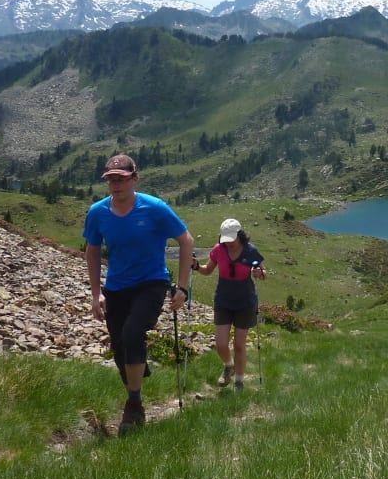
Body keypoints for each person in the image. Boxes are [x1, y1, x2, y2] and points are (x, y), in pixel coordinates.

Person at [83, 153, 194, 435]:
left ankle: (134, 403)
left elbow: (186, 240)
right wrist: (96, 294)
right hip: (117, 286)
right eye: (110, 179)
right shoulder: (98, 212)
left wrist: (181, 286)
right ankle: (136, 374)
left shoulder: (154, 208)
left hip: (151, 282)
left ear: (135, 178)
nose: (115, 184)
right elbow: (93, 250)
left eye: (121, 179)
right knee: (120, 346)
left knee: (133, 334)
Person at [191, 218, 265, 390]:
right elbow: (207, 270)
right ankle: (229, 365)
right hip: (223, 299)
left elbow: (262, 273)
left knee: (239, 345)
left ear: (240, 235)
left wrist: (258, 272)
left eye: (232, 238)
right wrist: (195, 267)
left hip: (245, 300)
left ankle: (239, 381)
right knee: (221, 344)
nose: (229, 242)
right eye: (226, 239)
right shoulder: (219, 250)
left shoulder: (250, 251)